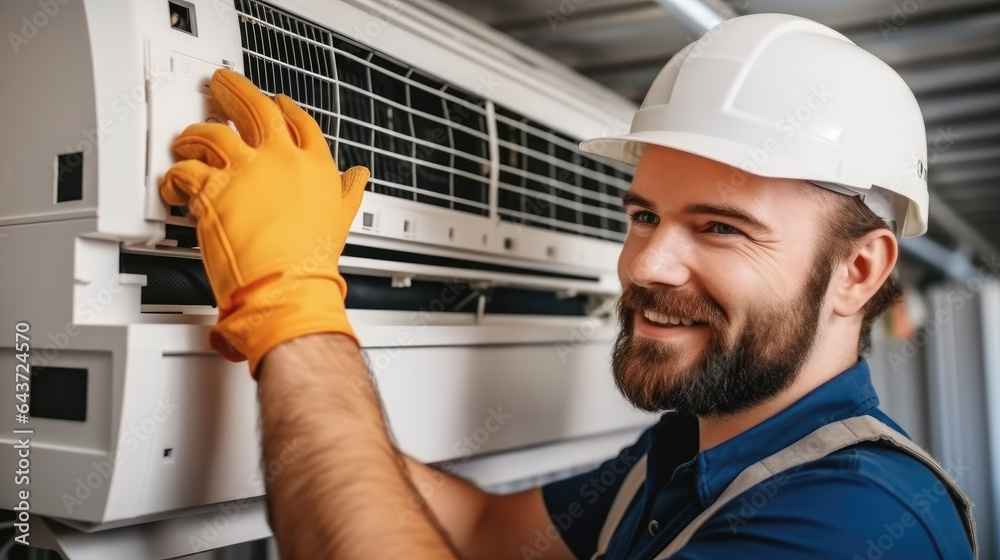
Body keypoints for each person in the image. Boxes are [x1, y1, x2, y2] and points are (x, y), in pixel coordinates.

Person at [159, 12, 976, 560]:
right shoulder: (685, 451)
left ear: (858, 270)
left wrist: (290, 305)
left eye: (720, 227)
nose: (645, 265)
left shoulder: (856, 522)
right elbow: (484, 530)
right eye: (645, 215)